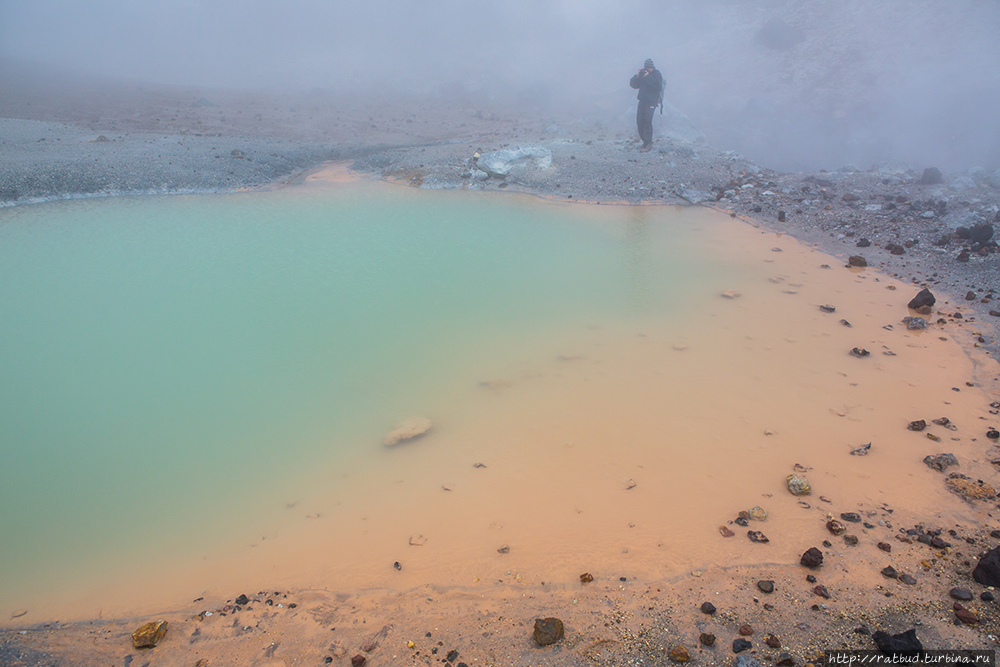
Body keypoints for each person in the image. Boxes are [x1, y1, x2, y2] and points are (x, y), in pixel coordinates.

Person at [629, 58, 663, 152]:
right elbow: (633, 85)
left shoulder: (656, 74)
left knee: (647, 121)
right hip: (642, 101)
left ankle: (648, 143)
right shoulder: (643, 75)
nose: (648, 69)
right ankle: (644, 141)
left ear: (652, 67)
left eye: (649, 67)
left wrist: (648, 77)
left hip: (652, 101)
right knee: (640, 121)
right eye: (646, 67)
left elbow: (658, 86)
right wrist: (637, 76)